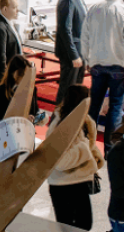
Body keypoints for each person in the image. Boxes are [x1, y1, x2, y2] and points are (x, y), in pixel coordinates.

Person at [48, 85, 103, 230]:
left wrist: (94, 156)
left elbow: (85, 145)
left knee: (84, 225)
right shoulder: (60, 126)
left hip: (78, 183)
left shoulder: (84, 121)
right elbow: (61, 162)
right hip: (63, 186)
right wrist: (85, 149)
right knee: (70, 227)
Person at [84, 0, 124, 135]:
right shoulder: (122, 11)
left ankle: (88, 140)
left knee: (94, 105)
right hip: (118, 65)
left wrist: (87, 59)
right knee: (115, 106)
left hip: (97, 64)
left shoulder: (94, 9)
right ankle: (110, 147)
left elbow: (85, 36)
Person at [0, 55, 41, 150]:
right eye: (23, 75)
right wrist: (22, 118)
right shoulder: (1, 92)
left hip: (21, 131)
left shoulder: (32, 89)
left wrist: (37, 118)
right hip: (4, 133)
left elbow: (34, 111)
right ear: (15, 74)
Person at [55, 0, 92, 107]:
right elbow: (66, 30)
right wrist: (74, 55)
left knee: (75, 90)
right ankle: (58, 120)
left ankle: (69, 118)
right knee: (67, 90)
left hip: (79, 51)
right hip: (72, 54)